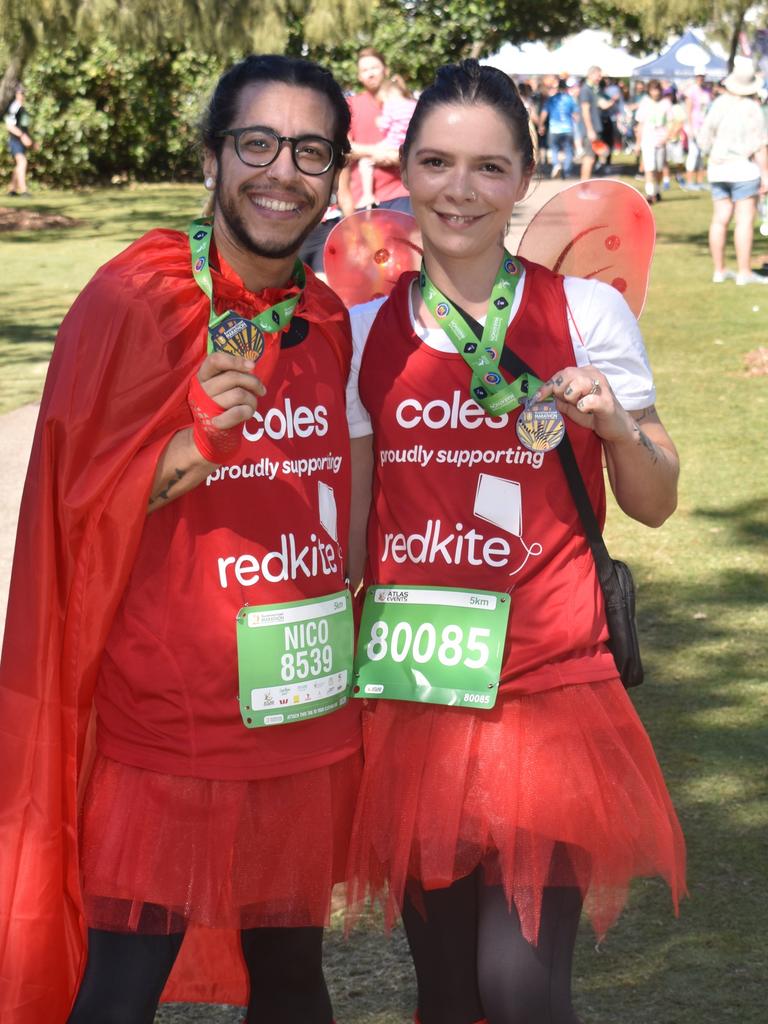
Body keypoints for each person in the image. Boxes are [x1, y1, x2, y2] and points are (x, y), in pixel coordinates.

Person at [0, 53, 362, 1023]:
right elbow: (69, 510)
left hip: (301, 709)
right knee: (118, 995)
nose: (281, 171)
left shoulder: (322, 317)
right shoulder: (139, 296)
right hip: (170, 725)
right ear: (212, 157)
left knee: (293, 982)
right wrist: (179, 447)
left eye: (310, 150)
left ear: (336, 174)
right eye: (257, 142)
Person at [345, 59, 686, 1024]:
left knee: (521, 990)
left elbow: (656, 503)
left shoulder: (586, 314)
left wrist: (620, 427)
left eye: (490, 168)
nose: (462, 189)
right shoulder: (363, 333)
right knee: (450, 996)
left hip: (553, 691)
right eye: (440, 163)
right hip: (419, 697)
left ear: (522, 181)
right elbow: (355, 537)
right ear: (402, 171)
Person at [697, 57, 768, 285]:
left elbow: (703, 138)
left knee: (719, 219)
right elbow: (760, 146)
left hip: (718, 168)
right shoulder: (753, 109)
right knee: (744, 221)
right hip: (744, 169)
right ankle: (743, 272)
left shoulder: (718, 104)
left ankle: (719, 270)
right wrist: (766, 174)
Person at [343, 47, 412, 215]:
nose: (370, 74)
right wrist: (377, 152)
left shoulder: (405, 103)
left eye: (374, 67)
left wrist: (398, 156)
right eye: (364, 70)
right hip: (365, 201)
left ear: (386, 70)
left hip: (403, 194)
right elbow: (344, 149)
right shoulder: (351, 105)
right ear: (359, 76)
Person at [358, 74, 417, 207]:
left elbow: (384, 125)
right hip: (408, 145)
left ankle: (368, 195)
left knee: (365, 162)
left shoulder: (390, 106)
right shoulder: (414, 104)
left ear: (386, 95)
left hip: (392, 143)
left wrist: (378, 121)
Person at [635, 79, 670, 204]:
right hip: (648, 139)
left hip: (661, 139)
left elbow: (670, 122)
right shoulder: (645, 103)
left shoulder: (666, 103)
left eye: (657, 89)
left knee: (659, 168)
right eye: (652, 90)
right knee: (650, 167)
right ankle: (650, 193)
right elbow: (641, 124)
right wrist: (638, 143)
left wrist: (667, 137)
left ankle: (657, 190)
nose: (655, 92)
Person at [579, 66, 613, 179]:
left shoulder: (594, 89)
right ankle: (583, 188)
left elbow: (601, 104)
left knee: (594, 158)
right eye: (598, 75)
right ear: (591, 74)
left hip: (596, 128)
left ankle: (586, 186)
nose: (600, 78)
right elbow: (585, 111)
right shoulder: (585, 90)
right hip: (590, 130)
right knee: (589, 158)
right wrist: (590, 130)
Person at [541, 78, 579, 178]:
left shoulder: (552, 99)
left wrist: (541, 125)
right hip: (567, 128)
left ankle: (556, 164)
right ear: (566, 88)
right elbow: (575, 115)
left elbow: (544, 113)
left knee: (554, 149)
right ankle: (566, 171)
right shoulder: (570, 99)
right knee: (568, 150)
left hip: (554, 129)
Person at [683, 69, 712, 190]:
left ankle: (700, 181)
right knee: (693, 154)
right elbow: (688, 110)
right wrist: (690, 128)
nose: (701, 78)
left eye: (702, 76)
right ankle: (689, 181)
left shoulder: (707, 91)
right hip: (694, 126)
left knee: (701, 155)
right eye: (699, 76)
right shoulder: (691, 90)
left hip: (704, 126)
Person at [4, 83, 33, 196]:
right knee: (22, 162)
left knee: (19, 164)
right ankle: (23, 190)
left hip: (21, 141)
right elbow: (9, 126)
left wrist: (31, 140)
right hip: (15, 140)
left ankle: (12, 189)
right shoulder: (14, 107)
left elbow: (23, 127)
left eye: (23, 93)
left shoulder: (22, 108)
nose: (22, 95)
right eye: (20, 93)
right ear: (16, 94)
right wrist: (22, 136)